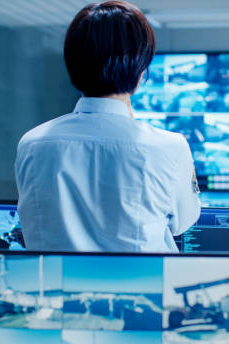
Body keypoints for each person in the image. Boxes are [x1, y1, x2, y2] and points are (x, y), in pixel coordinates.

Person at [15, 1, 201, 252]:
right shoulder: (169, 147)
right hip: (145, 288)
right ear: (140, 74)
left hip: (50, 288)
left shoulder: (33, 144)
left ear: (73, 67)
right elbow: (183, 222)